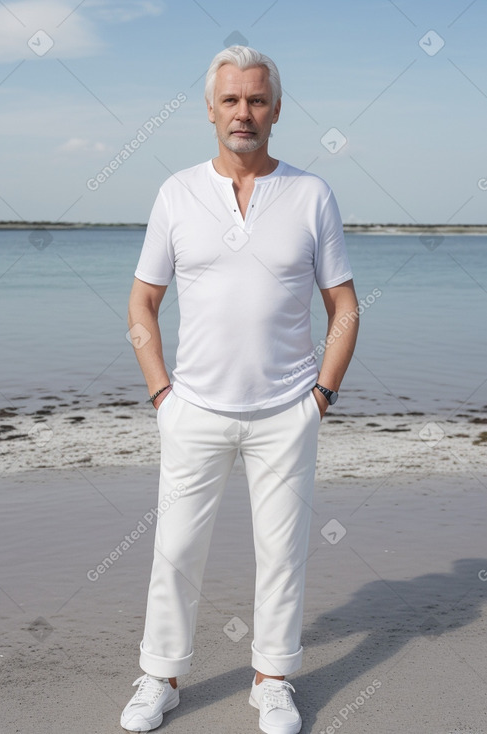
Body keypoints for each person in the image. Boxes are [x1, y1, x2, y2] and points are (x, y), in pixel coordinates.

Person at [121, 45, 359, 734]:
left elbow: (343, 307)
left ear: (276, 110)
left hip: (286, 411)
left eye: (256, 100)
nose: (243, 112)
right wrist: (163, 396)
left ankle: (273, 679)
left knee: (282, 553)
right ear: (209, 109)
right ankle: (160, 676)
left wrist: (320, 397)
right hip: (192, 409)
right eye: (230, 100)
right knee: (174, 549)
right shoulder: (176, 193)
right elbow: (141, 304)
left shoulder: (311, 195)